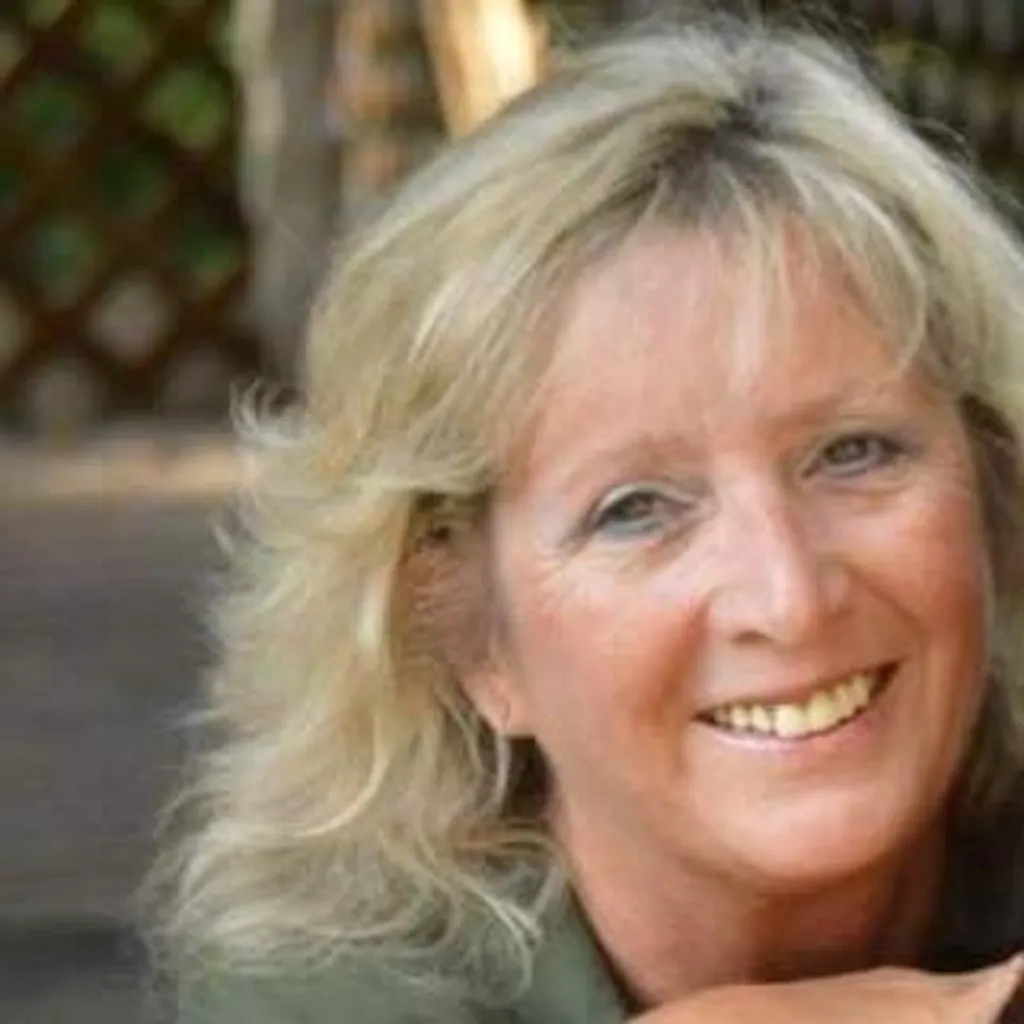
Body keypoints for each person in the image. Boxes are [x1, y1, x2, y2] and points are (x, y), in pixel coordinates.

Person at [152, 9, 1024, 1022]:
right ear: (469, 633)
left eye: (854, 452)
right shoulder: (326, 993)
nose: (787, 597)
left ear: (992, 493)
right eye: (636, 510)